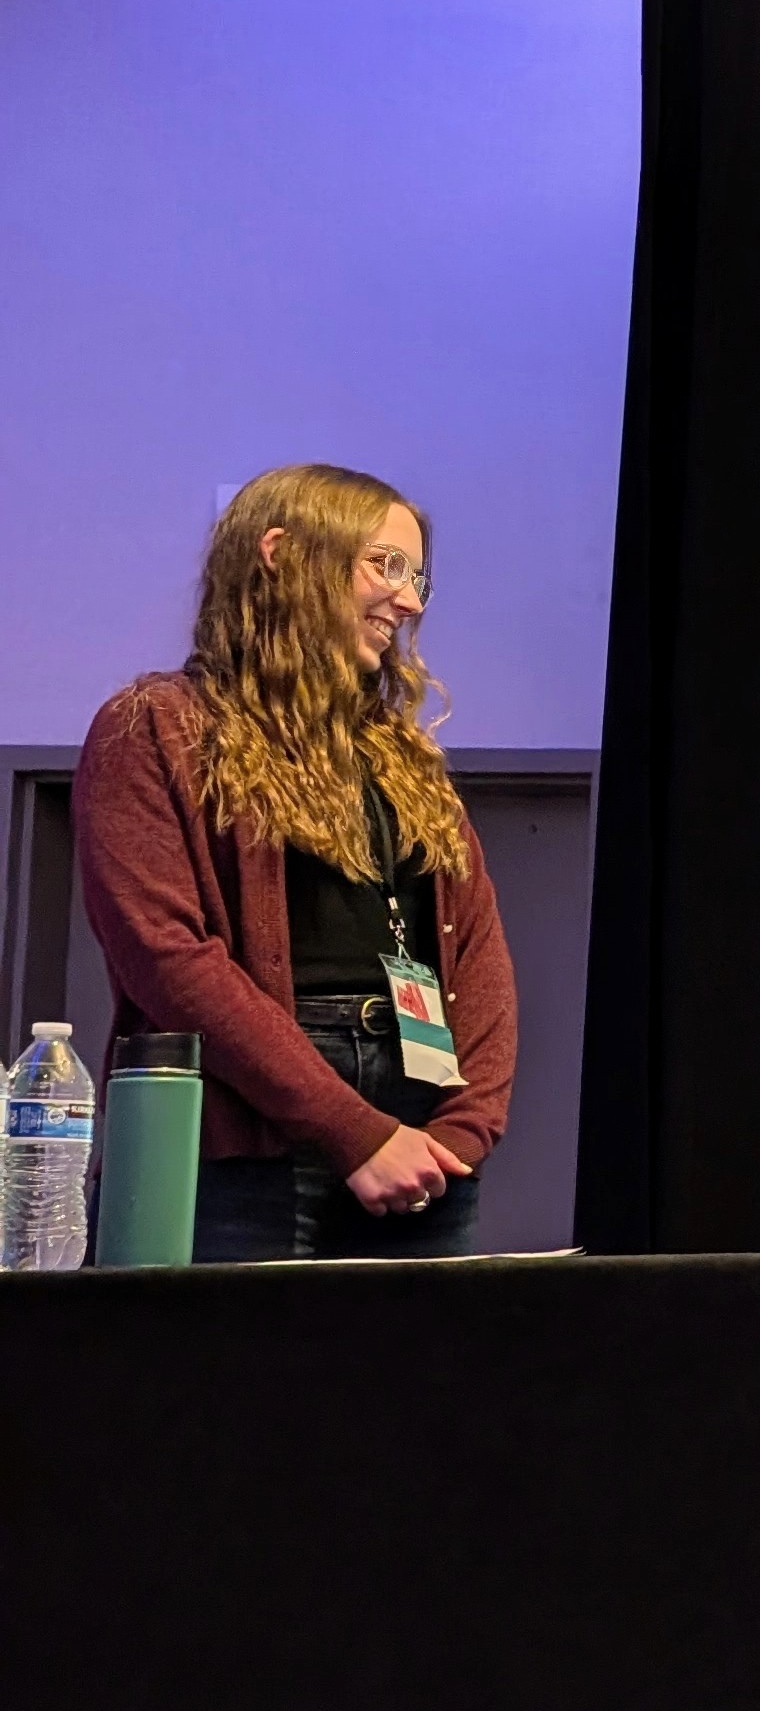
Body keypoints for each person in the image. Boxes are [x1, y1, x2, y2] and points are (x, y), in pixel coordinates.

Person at [76, 464, 517, 1261]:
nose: (411, 601)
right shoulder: (154, 728)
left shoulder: (400, 754)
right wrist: (353, 1131)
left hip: (424, 1150)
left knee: (424, 1387)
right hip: (248, 1143)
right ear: (283, 553)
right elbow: (167, 960)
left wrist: (463, 1129)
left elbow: (479, 948)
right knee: (231, 1384)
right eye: (385, 566)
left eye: (417, 577)